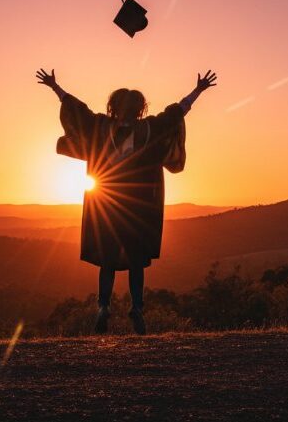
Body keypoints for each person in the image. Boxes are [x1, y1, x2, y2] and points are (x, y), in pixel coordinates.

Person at [36, 68, 217, 334]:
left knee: (108, 260)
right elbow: (178, 111)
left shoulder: (101, 127)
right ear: (140, 109)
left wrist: (55, 87)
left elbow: (77, 110)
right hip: (138, 207)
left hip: (106, 203)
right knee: (136, 260)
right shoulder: (149, 129)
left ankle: (103, 306)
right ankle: (137, 307)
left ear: (114, 107)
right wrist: (198, 91)